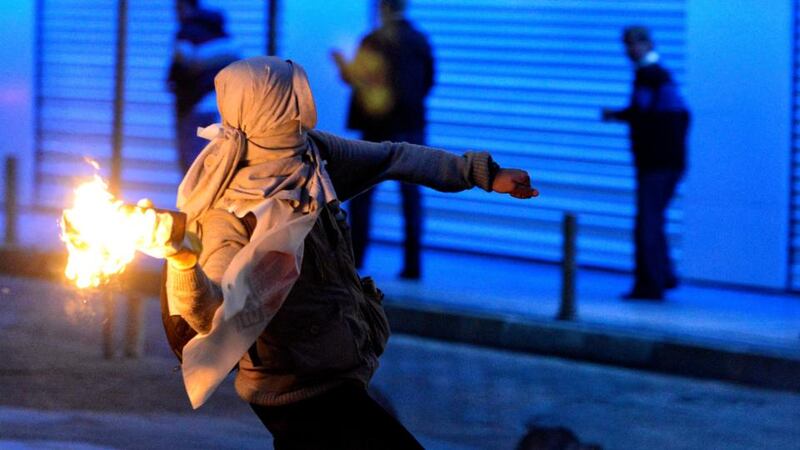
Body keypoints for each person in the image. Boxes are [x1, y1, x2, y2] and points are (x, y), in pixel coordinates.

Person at [143, 56, 537, 449]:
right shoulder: (228, 211)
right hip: (294, 391)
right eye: (287, 100)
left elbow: (393, 157)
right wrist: (182, 261)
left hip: (335, 368)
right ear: (261, 108)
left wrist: (482, 174)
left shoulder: (312, 157)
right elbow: (208, 313)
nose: (300, 112)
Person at [331, 0, 434, 279]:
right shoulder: (420, 41)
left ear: (383, 8)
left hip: (376, 131)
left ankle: (355, 258)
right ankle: (413, 265)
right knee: (411, 197)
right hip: (412, 129)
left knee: (362, 193)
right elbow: (429, 82)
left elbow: (359, 80)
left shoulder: (374, 40)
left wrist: (342, 65)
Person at [601, 26, 690, 301]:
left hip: (657, 164)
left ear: (647, 44)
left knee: (647, 222)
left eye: (634, 44)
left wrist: (619, 116)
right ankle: (664, 275)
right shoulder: (658, 76)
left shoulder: (650, 76)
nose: (629, 50)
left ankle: (650, 285)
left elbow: (647, 115)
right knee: (654, 219)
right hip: (667, 162)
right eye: (626, 45)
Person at [167, 0, 239, 173]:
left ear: (185, 6)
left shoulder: (187, 33)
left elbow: (178, 72)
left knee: (194, 164)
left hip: (196, 111)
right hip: (223, 112)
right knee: (217, 162)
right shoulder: (222, 33)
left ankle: (196, 199)